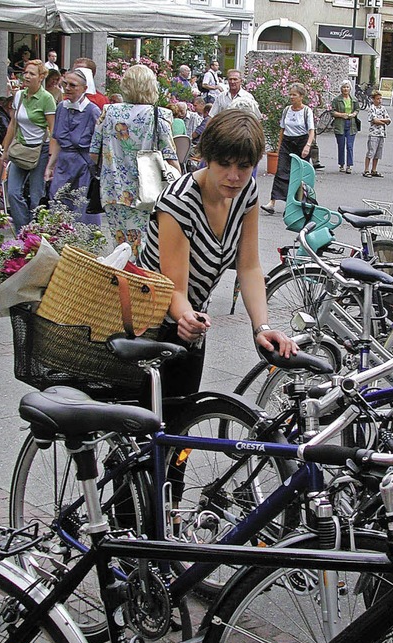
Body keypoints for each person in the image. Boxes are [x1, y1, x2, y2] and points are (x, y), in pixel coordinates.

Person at [137, 108, 296, 398]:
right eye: (224, 164)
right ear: (206, 157)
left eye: (244, 166)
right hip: (148, 323)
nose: (234, 176)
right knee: (152, 428)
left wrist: (261, 327)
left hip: (192, 319)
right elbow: (172, 287)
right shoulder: (180, 202)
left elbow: (248, 266)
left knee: (180, 426)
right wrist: (186, 317)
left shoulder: (246, 191)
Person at [90, 64, 178, 259]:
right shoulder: (158, 115)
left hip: (113, 190)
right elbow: (171, 158)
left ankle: (122, 282)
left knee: (120, 246)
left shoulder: (109, 112)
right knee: (143, 247)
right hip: (147, 192)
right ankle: (139, 286)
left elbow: (94, 154)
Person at [2, 60, 56, 232]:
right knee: (13, 192)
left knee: (36, 197)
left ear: (41, 77)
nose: (26, 76)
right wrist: (5, 150)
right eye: (25, 72)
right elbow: (13, 124)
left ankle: (36, 234)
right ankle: (24, 231)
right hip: (20, 150)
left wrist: (51, 160)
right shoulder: (19, 95)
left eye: (31, 73)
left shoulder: (47, 99)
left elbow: (53, 130)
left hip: (40, 150)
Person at [44, 69, 100, 225]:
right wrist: (50, 166)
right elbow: (57, 140)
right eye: (65, 84)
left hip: (83, 166)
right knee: (57, 205)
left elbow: (101, 143)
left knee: (81, 210)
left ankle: (84, 246)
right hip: (63, 165)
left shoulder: (93, 111)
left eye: (73, 85)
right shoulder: (61, 107)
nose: (67, 88)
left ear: (84, 88)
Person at [261, 83, 315, 214]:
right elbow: (282, 129)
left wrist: (307, 146)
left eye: (294, 95)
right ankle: (272, 202)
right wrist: (279, 146)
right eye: (290, 94)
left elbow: (311, 131)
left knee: (299, 175)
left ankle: (296, 203)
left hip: (301, 142)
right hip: (287, 142)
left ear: (301, 96)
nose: (291, 97)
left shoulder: (307, 111)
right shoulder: (286, 110)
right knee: (281, 171)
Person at [331, 80, 359, 174]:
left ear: (350, 88)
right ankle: (341, 164)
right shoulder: (336, 100)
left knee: (350, 146)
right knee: (341, 145)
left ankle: (349, 166)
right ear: (341, 89)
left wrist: (354, 114)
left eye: (347, 87)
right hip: (340, 124)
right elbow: (332, 112)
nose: (345, 89)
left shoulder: (354, 99)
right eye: (344, 87)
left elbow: (357, 109)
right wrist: (341, 115)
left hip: (351, 124)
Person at [362, 90, 391, 178]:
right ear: (373, 99)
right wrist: (383, 121)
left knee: (378, 153)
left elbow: (388, 120)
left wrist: (381, 121)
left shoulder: (383, 108)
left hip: (381, 133)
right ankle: (366, 170)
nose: (380, 100)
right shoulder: (372, 108)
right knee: (371, 152)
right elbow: (374, 120)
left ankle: (374, 169)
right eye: (378, 99)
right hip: (374, 133)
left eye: (380, 98)